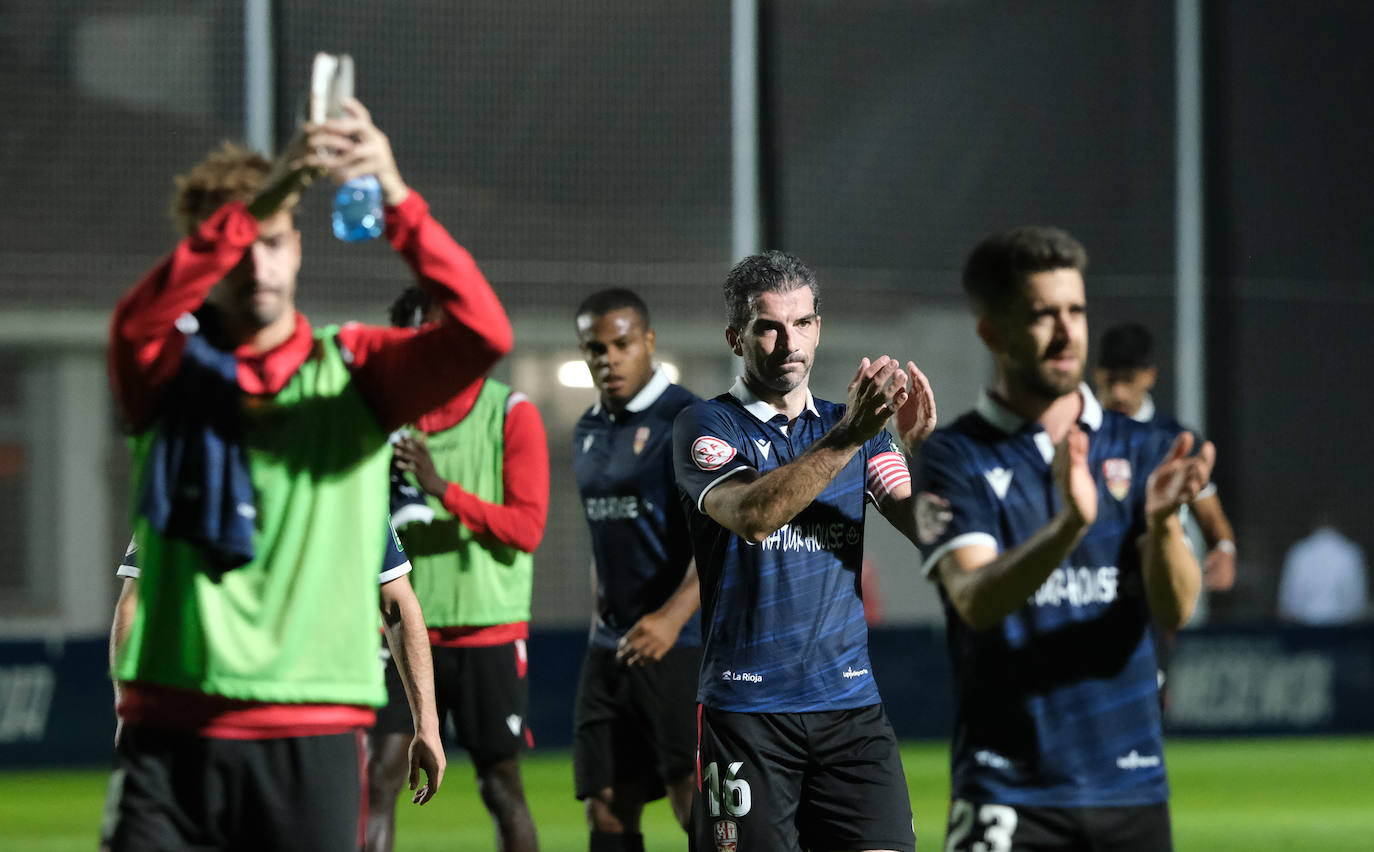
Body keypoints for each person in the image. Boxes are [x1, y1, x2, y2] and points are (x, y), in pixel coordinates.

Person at [105, 96, 512, 851]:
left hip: (313, 733)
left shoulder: (353, 369)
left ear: (299, 247)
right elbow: (136, 322)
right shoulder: (163, 375)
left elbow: (483, 331)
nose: (257, 261)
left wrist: (392, 189)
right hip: (173, 731)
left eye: (275, 240)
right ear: (208, 255)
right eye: (236, 244)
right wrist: (271, 192)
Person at [912, 226, 1216, 851]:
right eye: (1042, 314)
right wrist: (1067, 528)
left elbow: (1177, 607)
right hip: (1007, 795)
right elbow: (974, 599)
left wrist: (1161, 527)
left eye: (1075, 310)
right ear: (993, 332)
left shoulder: (1143, 448)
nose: (1066, 331)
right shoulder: (953, 455)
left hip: (1130, 791)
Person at [671, 251, 937, 852]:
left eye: (802, 323)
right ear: (736, 338)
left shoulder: (858, 430)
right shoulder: (707, 425)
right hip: (748, 712)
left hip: (851, 712)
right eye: (768, 326)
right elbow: (754, 516)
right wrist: (849, 438)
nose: (787, 342)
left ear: (819, 327)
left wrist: (929, 455)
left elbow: (931, 531)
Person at [101, 524, 440, 850]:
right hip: (264, 727)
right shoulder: (351, 474)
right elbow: (396, 604)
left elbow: (136, 602)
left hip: (287, 726)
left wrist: (427, 722)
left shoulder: (187, 470)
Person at [370, 285, 549, 852]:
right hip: (395, 635)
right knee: (377, 779)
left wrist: (439, 488)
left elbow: (527, 529)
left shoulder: (510, 413)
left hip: (484, 632)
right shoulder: (383, 420)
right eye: (413, 336)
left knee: (500, 787)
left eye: (436, 334)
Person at [570, 288, 701, 851]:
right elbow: (604, 540)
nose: (608, 358)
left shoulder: (687, 419)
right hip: (610, 646)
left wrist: (671, 620)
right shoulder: (586, 430)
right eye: (594, 348)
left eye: (620, 344)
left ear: (648, 341)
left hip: (681, 643)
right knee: (605, 804)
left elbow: (720, 539)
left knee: (693, 796)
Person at [1094, 321, 1238, 595]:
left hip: (1158, 596)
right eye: (1111, 379)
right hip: (1089, 595)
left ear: (1150, 376)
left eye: (1128, 379)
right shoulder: (1079, 437)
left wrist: (1224, 549)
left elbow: (1211, 518)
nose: (1119, 392)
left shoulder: (1177, 442)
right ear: (1097, 373)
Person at [1277, 512, 1369, 625]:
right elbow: (1357, 604)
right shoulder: (1350, 552)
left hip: (1303, 630)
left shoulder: (1299, 551)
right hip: (1342, 631)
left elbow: (1287, 604)